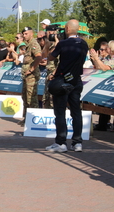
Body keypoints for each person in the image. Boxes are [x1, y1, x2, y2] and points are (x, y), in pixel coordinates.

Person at [45, 19, 88, 153]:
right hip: (76, 81)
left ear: (68, 29)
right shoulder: (84, 44)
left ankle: (61, 142)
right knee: (76, 112)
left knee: (60, 112)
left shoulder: (63, 44)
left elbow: (51, 58)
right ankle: (77, 142)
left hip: (63, 81)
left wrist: (55, 44)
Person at [18, 27, 42, 126]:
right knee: (25, 96)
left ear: (32, 34)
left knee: (31, 97)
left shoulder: (33, 44)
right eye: (23, 34)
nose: (24, 36)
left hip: (31, 76)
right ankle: (27, 118)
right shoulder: (27, 45)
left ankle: (33, 120)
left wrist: (31, 69)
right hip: (26, 76)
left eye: (26, 33)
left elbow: (39, 57)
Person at [90, 40, 114, 131]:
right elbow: (99, 67)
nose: (106, 49)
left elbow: (104, 68)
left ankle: (103, 125)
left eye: (108, 47)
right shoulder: (108, 59)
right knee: (104, 104)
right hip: (108, 85)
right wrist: (95, 59)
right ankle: (102, 125)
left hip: (110, 84)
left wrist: (96, 58)